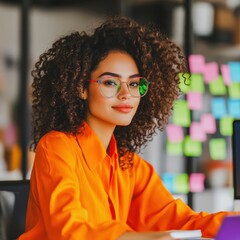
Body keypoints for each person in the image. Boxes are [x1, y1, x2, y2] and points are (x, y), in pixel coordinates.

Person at [18, 15, 238, 240]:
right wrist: (146, 238)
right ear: (81, 88)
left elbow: (184, 222)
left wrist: (236, 226)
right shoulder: (57, 147)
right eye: (110, 82)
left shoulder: (129, 167)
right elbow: (69, 231)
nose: (126, 94)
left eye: (134, 84)